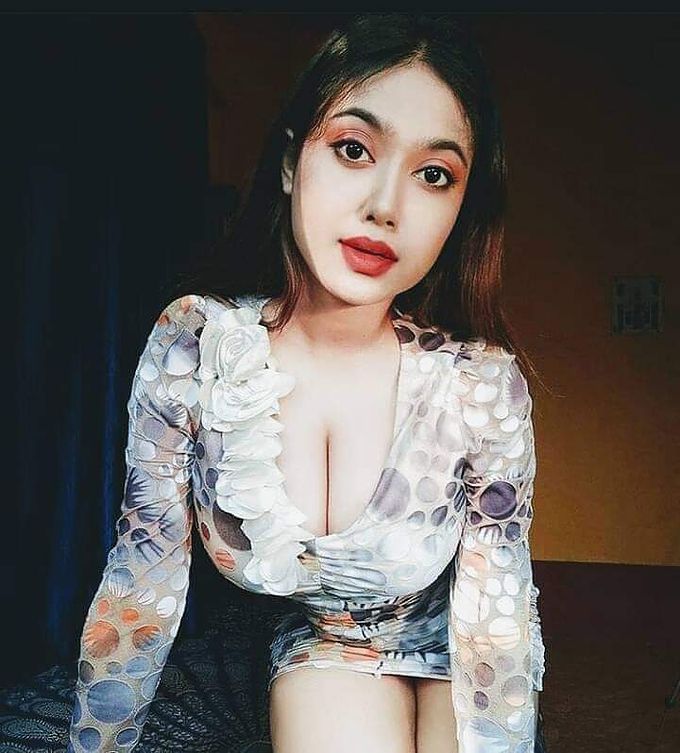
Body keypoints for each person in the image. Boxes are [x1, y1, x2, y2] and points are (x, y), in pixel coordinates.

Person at [67, 13, 547, 753]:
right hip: (332, 647)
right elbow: (142, 574)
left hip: (463, 643)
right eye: (353, 149)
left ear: (461, 210)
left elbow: (495, 619)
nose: (385, 206)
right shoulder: (196, 347)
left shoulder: (479, 385)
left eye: (434, 174)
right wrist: (98, 742)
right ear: (292, 163)